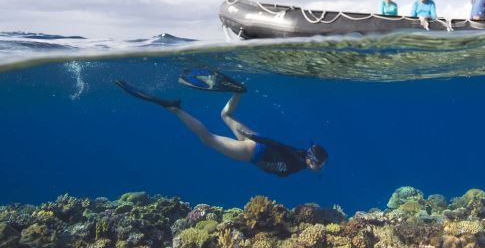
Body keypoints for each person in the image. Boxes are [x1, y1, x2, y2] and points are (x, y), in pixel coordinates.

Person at [114, 70, 328, 177]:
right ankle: (175, 108)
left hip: (255, 141)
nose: (320, 169)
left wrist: (255, 137)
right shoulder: (298, 162)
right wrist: (256, 139)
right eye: (321, 165)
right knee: (208, 139)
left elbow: (282, 147)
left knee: (225, 115)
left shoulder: (301, 155)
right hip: (251, 150)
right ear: (313, 161)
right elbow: (279, 147)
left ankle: (239, 92)